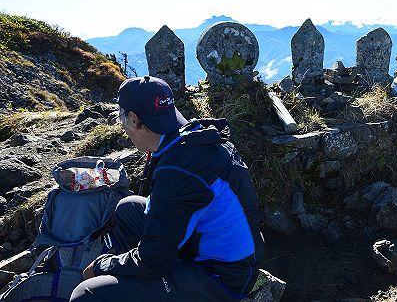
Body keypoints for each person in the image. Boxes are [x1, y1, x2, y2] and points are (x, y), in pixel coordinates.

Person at [70, 75, 264, 301]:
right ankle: (131, 286)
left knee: (86, 294)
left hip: (221, 278)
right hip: (221, 251)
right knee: (128, 208)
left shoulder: (179, 170)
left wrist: (102, 266)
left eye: (121, 118)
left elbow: (154, 260)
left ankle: (126, 288)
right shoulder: (191, 139)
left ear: (134, 120)